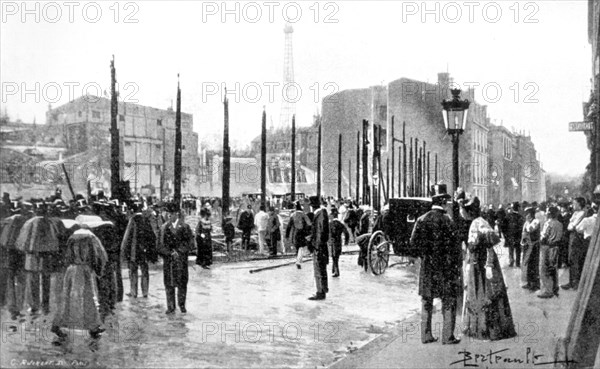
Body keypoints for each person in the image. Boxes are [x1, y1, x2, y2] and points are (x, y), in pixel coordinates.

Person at [410, 184, 461, 344]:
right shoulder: (448, 221)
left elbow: (413, 243)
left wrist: (424, 255)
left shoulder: (421, 219)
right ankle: (448, 336)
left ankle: (426, 335)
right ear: (444, 201)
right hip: (445, 268)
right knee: (448, 300)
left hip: (427, 266)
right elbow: (456, 247)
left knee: (426, 301)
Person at [462, 196, 517, 341]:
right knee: (485, 294)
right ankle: (488, 328)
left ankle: (485, 329)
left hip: (481, 264)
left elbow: (486, 247)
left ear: (469, 212)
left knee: (484, 294)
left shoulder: (476, 223)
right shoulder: (482, 221)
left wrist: (488, 265)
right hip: (482, 263)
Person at [51, 228, 107, 340]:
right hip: (84, 270)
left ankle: (58, 325)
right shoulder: (90, 240)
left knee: (67, 298)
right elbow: (97, 256)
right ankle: (93, 327)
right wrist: (98, 270)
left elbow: (67, 257)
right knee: (88, 299)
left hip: (71, 270)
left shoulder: (72, 240)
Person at [158, 203, 194, 314]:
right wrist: (169, 253)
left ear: (177, 214)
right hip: (169, 260)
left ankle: (182, 305)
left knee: (182, 283)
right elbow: (159, 245)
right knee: (169, 283)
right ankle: (171, 306)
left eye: (172, 213)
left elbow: (191, 243)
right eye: (168, 213)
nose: (170, 215)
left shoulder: (185, 227)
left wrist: (179, 251)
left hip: (181, 259)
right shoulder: (164, 228)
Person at [121, 202, 158, 298]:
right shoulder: (146, 219)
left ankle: (134, 292)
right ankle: (145, 292)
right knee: (145, 270)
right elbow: (152, 235)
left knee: (133, 271)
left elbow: (127, 236)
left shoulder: (132, 220)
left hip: (134, 250)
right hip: (144, 250)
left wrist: (123, 250)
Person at [561, 197, 587, 290]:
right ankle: (571, 282)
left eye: (575, 203)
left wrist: (572, 225)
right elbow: (569, 226)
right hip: (572, 237)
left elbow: (572, 226)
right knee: (571, 259)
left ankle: (576, 283)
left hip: (577, 238)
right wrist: (571, 225)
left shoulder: (583, 213)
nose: (573, 205)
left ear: (579, 204)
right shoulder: (575, 213)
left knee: (576, 260)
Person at [538, 206, 564, 298]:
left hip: (547, 247)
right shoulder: (560, 224)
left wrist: (541, 238)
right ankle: (555, 288)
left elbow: (544, 236)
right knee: (553, 267)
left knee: (544, 269)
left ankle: (547, 291)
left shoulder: (548, 223)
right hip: (556, 247)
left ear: (549, 214)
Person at [308, 196, 329, 300]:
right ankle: (322, 290)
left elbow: (319, 231)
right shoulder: (322, 213)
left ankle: (320, 291)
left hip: (319, 246)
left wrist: (316, 245)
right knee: (322, 269)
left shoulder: (319, 214)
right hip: (321, 245)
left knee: (318, 269)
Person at [286, 201, 311, 269]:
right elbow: (309, 224)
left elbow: (289, 226)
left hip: (295, 233)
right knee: (301, 247)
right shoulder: (303, 214)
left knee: (297, 247)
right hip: (302, 232)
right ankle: (298, 261)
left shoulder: (293, 215)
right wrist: (309, 233)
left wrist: (287, 235)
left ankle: (298, 259)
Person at [520, 207, 541, 291]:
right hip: (527, 245)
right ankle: (529, 282)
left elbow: (529, 229)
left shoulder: (536, 221)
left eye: (527, 213)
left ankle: (535, 284)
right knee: (527, 263)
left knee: (533, 264)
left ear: (531, 214)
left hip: (534, 245)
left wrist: (527, 223)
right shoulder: (527, 222)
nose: (526, 215)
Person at [328, 207, 349, 277]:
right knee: (336, 257)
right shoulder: (340, 224)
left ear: (332, 215)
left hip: (332, 242)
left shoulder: (330, 224)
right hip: (339, 241)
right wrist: (346, 241)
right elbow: (346, 233)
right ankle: (334, 270)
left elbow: (329, 233)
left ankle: (336, 271)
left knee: (334, 257)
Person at [505, 202, 524, 267]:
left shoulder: (508, 216)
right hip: (518, 235)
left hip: (510, 235)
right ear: (518, 208)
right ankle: (517, 263)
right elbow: (522, 227)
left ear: (512, 208)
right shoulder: (520, 217)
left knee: (511, 249)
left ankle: (511, 262)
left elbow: (504, 226)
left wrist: (506, 234)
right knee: (518, 249)